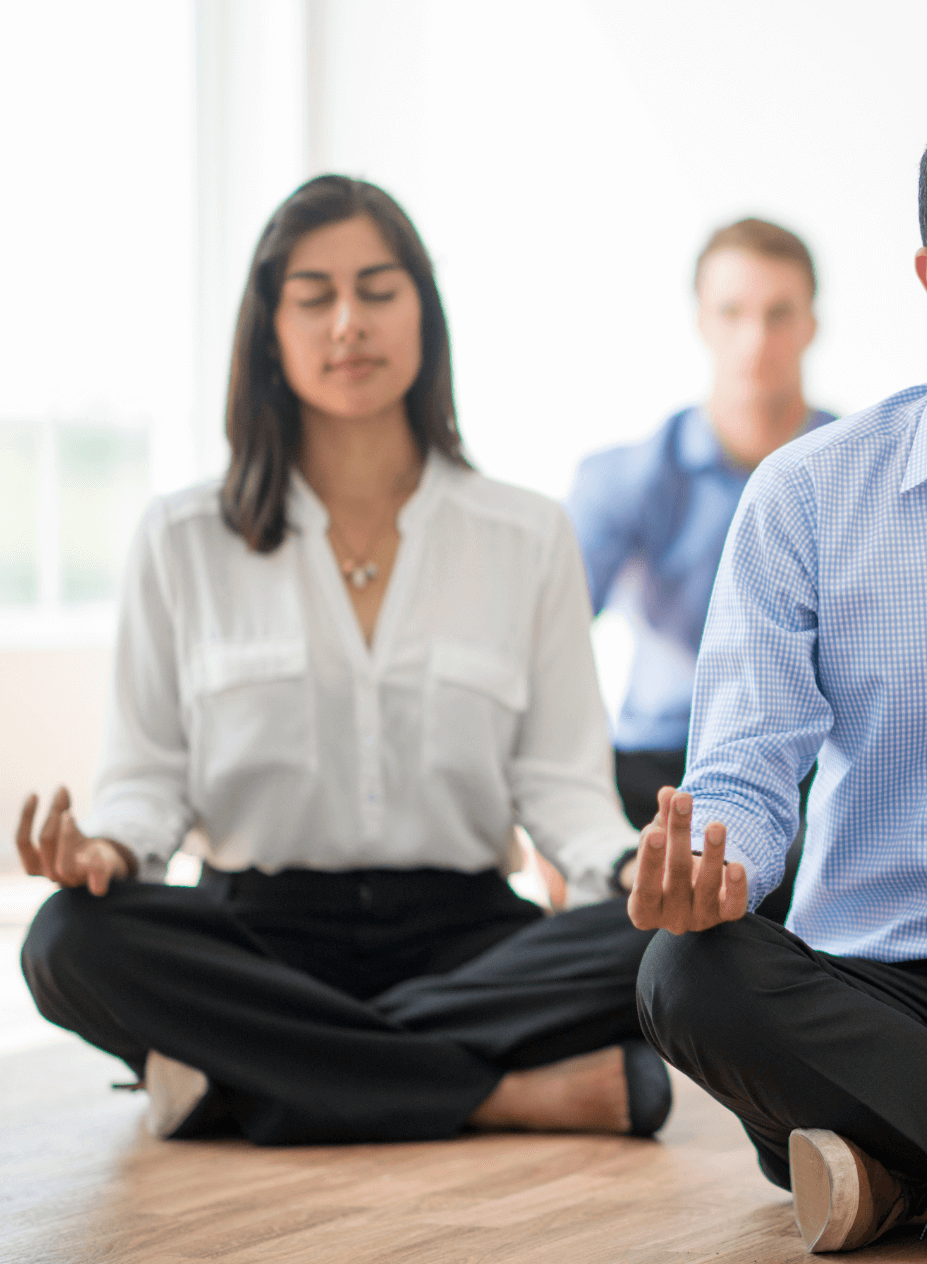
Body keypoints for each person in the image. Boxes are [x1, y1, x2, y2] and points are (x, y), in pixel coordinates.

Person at [17, 175, 672, 1147]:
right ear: (270, 329)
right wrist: (107, 851)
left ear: (423, 310)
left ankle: (243, 1081)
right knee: (68, 941)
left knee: (676, 943)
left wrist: (631, 867)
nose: (348, 322)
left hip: (465, 934)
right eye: (314, 296)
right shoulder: (182, 538)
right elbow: (147, 778)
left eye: (378, 288)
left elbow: (562, 785)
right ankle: (501, 1094)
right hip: (255, 938)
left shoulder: (525, 534)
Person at [628, 80, 927, 1261]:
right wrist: (715, 869)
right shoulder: (811, 496)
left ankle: (901, 1176)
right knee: (689, 974)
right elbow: (743, 768)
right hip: (877, 999)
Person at [565, 220, 832, 920]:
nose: (755, 340)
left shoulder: (860, 476)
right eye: (733, 313)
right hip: (654, 765)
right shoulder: (625, 479)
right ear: (701, 322)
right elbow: (544, 648)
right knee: (660, 908)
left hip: (806, 771)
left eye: (778, 314)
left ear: (811, 324)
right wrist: (557, 822)